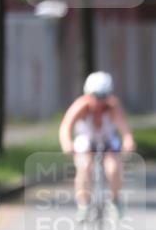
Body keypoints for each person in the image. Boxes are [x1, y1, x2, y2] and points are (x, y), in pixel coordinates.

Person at [58, 71, 136, 221]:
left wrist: (128, 141)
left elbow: (124, 128)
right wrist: (66, 143)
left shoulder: (113, 107)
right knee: (84, 166)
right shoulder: (81, 106)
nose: (99, 101)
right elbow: (66, 126)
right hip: (86, 140)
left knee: (113, 168)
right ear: (88, 94)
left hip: (107, 140)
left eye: (103, 96)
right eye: (96, 96)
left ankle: (115, 201)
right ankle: (84, 204)